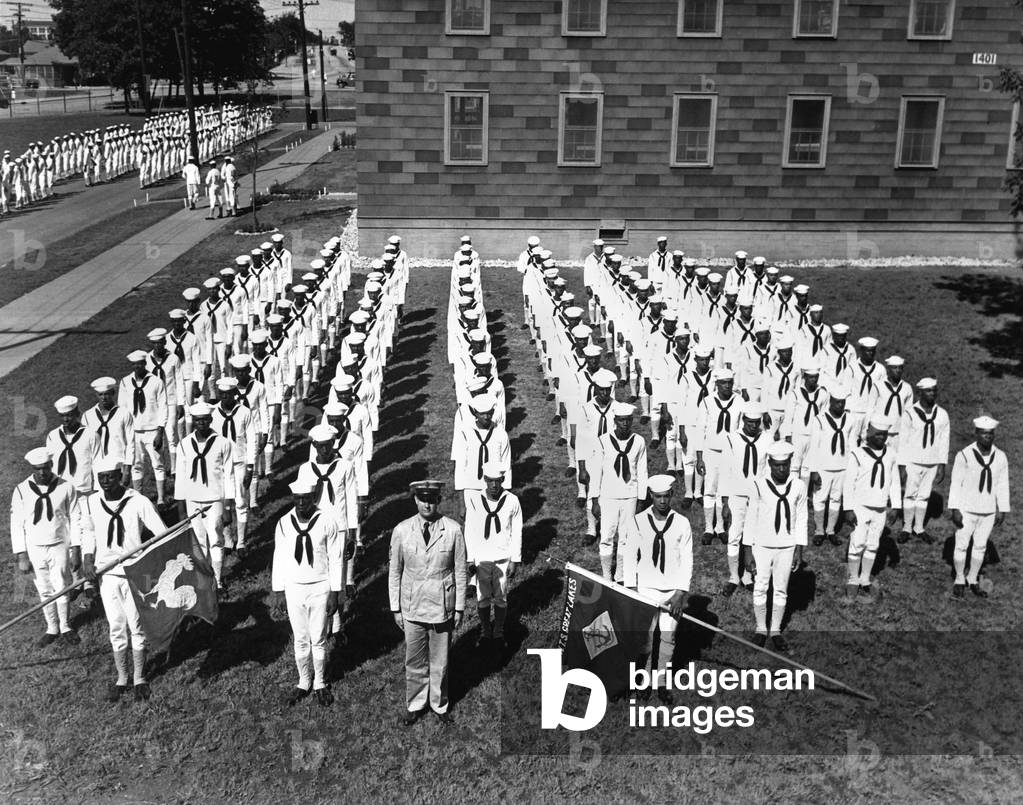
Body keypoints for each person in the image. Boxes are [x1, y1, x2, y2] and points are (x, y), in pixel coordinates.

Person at [80, 456, 167, 702]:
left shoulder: (138, 501)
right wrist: (88, 561)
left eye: (110, 476)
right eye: (101, 478)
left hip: (135, 571)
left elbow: (160, 534)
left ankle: (139, 676)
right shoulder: (90, 503)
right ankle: (122, 677)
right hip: (107, 574)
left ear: (120, 476)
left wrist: (147, 559)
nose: (106, 482)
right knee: (116, 625)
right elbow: (88, 532)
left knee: (136, 625)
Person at [388, 480, 467, 726]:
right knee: (414, 659)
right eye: (422, 499)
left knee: (440, 660)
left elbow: (461, 571)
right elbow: (395, 571)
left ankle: (439, 704)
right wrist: (395, 608)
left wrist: (460, 607)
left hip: (441, 605)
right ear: (415, 500)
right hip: (412, 605)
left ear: (439, 500)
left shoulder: (453, 530)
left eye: (432, 499)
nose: (427, 504)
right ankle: (415, 704)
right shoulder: (402, 530)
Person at [271, 478, 345, 707]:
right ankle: (303, 681)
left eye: (306, 498)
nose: (301, 503)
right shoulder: (283, 524)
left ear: (314, 498)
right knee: (301, 638)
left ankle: (320, 683)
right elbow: (279, 558)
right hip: (294, 587)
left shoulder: (327, 521)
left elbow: (336, 558)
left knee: (319, 637)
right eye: (297, 499)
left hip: (320, 586)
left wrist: (335, 592)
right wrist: (279, 590)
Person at [622, 474, 692, 702]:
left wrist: (680, 593)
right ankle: (643, 680)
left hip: (672, 591)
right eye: (658, 497)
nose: (662, 501)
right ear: (651, 496)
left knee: (668, 637)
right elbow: (630, 555)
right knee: (645, 638)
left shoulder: (682, 523)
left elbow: (687, 560)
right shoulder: (638, 521)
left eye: (666, 496)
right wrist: (631, 588)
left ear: (672, 495)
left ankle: (661, 682)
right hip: (645, 589)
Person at [10, 447, 82, 646]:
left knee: (61, 585)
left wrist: (76, 548)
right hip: (34, 547)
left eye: (46, 468)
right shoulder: (21, 490)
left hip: (59, 544)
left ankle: (66, 625)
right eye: (37, 469)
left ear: (52, 465)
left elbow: (76, 518)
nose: (42, 473)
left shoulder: (66, 487)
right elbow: (16, 523)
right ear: (32, 468)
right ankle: (52, 627)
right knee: (44, 589)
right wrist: (22, 554)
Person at [742, 441, 807, 652]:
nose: (781, 469)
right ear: (769, 463)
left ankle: (776, 630)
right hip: (762, 544)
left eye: (785, 465)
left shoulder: (798, 486)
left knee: (781, 589)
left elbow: (801, 519)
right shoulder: (759, 485)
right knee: (760, 586)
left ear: (790, 463)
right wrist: (747, 550)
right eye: (777, 465)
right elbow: (750, 519)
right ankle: (761, 628)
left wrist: (799, 549)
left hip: (786, 545)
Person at [948, 416, 1010, 599]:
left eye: (990, 434)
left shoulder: (1000, 457)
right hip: (967, 509)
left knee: (980, 546)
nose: (987, 437)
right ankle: (959, 578)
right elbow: (955, 484)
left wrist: (1002, 509)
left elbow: (1002, 484)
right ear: (976, 434)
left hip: (988, 510)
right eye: (983, 433)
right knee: (961, 544)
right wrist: (955, 509)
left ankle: (972, 578)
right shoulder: (964, 455)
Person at [842, 416, 902, 604]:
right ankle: (853, 578)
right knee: (857, 543)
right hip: (860, 506)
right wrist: (848, 508)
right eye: (876, 434)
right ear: (868, 433)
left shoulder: (891, 454)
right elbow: (849, 482)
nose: (880, 438)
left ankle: (865, 577)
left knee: (873, 544)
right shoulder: (858, 454)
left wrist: (896, 506)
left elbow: (895, 481)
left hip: (880, 507)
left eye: (884, 435)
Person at [463, 462, 522, 648]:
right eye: (490, 481)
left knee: (501, 595)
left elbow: (517, 531)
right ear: (484, 480)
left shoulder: (512, 501)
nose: (494, 486)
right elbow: (469, 530)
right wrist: (471, 558)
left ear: (503, 480)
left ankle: (498, 631)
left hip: (503, 557)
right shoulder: (474, 500)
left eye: (498, 481)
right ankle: (485, 630)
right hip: (482, 558)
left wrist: (515, 559)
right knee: (482, 596)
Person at [589, 402, 649, 583]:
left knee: (626, 537)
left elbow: (642, 471)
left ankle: (620, 575)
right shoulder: (603, 441)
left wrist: (641, 498)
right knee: (606, 536)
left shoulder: (638, 441)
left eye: (628, 420)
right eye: (621, 420)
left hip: (630, 495)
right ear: (614, 420)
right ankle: (607, 576)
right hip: (608, 496)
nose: (624, 424)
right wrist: (594, 499)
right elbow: (596, 471)